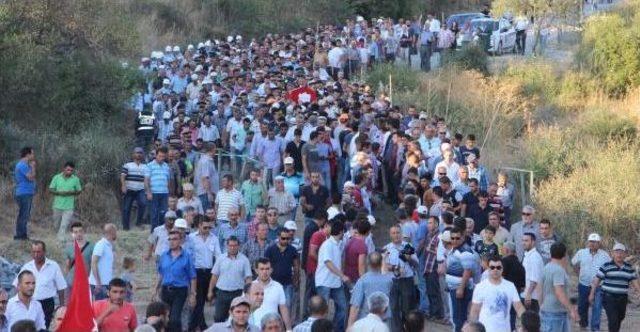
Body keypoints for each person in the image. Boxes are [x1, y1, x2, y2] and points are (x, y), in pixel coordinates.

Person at [13, 241, 66, 329]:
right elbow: (17, 284)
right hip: (30, 303)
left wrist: (61, 306)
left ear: (44, 252)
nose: (36, 255)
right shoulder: (27, 266)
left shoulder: (53, 266)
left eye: (38, 252)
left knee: (44, 327)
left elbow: (61, 287)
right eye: (33, 252)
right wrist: (18, 301)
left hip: (47, 304)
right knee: (29, 327)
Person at [590, 242, 640, 332]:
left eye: (621, 252)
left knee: (620, 317)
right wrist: (592, 293)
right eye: (617, 252)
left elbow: (635, 283)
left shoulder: (629, 268)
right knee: (613, 320)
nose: (619, 254)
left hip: (622, 298)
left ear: (625, 254)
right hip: (609, 297)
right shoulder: (606, 266)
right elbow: (596, 281)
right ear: (612, 254)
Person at [469, 255, 525, 332]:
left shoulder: (510, 286)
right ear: (488, 269)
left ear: (502, 269)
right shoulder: (480, 287)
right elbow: (474, 311)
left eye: (498, 267)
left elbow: (519, 307)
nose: (495, 270)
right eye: (492, 267)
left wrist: (526, 324)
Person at [154, 230, 196, 331]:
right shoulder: (164, 255)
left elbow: (193, 277)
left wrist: (193, 295)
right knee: (164, 317)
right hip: (165, 290)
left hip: (180, 291)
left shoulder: (186, 256)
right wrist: (155, 290)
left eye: (175, 239)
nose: (172, 241)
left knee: (174, 318)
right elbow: (160, 274)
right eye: (170, 239)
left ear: (180, 240)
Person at [208, 236, 253, 323]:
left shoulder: (244, 260)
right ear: (227, 246)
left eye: (235, 245)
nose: (232, 248)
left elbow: (248, 278)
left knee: (236, 318)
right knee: (218, 317)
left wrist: (248, 294)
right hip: (221, 293)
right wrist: (210, 291)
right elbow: (214, 276)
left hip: (237, 293)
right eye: (230, 245)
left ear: (239, 246)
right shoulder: (220, 258)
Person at [188, 218, 222, 331]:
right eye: (205, 227)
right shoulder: (191, 238)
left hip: (209, 271)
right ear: (199, 225)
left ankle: (199, 325)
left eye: (209, 227)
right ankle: (195, 326)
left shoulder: (214, 238)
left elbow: (218, 255)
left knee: (204, 300)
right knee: (199, 300)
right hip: (196, 271)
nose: (207, 230)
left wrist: (218, 271)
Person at [571, 233, 609, 331]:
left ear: (599, 243)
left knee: (597, 308)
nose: (592, 244)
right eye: (591, 241)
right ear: (588, 242)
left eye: (595, 242)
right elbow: (574, 263)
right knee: (582, 307)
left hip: (598, 286)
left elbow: (608, 268)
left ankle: (595, 328)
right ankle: (583, 326)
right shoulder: (581, 252)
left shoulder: (604, 255)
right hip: (583, 284)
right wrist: (578, 273)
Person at [384, 224, 418, 332]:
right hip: (392, 280)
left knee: (407, 307)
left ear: (401, 233)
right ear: (390, 235)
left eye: (398, 232)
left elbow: (416, 264)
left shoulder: (408, 246)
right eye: (393, 233)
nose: (396, 235)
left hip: (407, 280)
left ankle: (407, 329)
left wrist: (409, 259)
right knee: (393, 307)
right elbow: (384, 266)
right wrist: (394, 268)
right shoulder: (387, 248)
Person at [315, 220, 348, 332]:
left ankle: (334, 329)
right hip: (324, 282)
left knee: (343, 307)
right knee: (323, 311)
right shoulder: (328, 244)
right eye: (343, 231)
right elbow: (328, 262)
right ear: (341, 231)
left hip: (335, 282)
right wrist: (342, 276)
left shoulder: (338, 244)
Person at [446, 227, 479, 332]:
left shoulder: (465, 251)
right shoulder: (455, 249)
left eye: (457, 238)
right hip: (455, 288)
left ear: (463, 238)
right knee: (456, 317)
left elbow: (468, 270)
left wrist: (461, 288)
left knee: (458, 318)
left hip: (460, 289)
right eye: (452, 238)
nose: (455, 240)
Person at [347, 252, 392, 328]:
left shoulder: (362, 281)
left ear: (368, 263)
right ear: (381, 263)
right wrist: (383, 260)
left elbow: (355, 307)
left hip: (366, 323)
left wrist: (349, 327)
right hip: (383, 322)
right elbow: (385, 272)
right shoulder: (388, 280)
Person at [539, 243, 577, 332]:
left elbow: (539, 289)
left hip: (548, 311)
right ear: (564, 254)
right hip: (556, 313)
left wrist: (541, 306)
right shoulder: (558, 270)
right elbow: (559, 292)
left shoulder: (546, 268)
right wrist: (572, 309)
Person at [264, 229, 299, 323]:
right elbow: (265, 265)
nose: (286, 240)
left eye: (288, 238)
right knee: (272, 306)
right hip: (273, 284)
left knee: (287, 306)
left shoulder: (293, 250)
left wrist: (296, 280)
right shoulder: (270, 249)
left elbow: (296, 266)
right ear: (278, 237)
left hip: (287, 283)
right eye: (283, 238)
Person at [251, 258, 291, 331]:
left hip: (273, 328)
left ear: (271, 270)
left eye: (267, 269)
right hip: (254, 328)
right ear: (256, 271)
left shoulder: (278, 286)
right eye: (262, 269)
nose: (265, 272)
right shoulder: (250, 286)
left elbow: (283, 308)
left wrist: (289, 329)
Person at [48, 161, 82, 240]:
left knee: (64, 225)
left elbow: (79, 190)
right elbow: (51, 189)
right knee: (56, 225)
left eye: (71, 170)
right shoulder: (56, 177)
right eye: (68, 170)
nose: (69, 172)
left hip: (69, 206)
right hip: (57, 206)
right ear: (64, 169)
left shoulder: (75, 179)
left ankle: (60, 241)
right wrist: (59, 193)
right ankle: (57, 238)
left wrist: (71, 192)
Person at [121, 147, 148, 230]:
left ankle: (138, 223)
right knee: (126, 208)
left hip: (140, 189)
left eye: (140, 153)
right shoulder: (127, 165)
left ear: (143, 155)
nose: (139, 154)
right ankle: (126, 227)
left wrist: (147, 190)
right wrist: (123, 185)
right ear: (133, 154)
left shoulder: (145, 166)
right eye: (137, 152)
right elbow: (122, 176)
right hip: (129, 189)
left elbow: (146, 179)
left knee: (143, 204)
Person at [501, 241, 526, 332]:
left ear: (507, 250)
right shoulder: (520, 264)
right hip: (516, 295)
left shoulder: (504, 262)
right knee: (512, 316)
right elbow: (523, 285)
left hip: (504, 294)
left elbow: (500, 278)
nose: (502, 251)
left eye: (503, 249)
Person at [145, 146, 171, 230]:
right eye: (160, 156)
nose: (161, 158)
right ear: (156, 155)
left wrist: (169, 192)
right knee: (154, 214)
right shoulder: (149, 166)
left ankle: (163, 232)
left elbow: (168, 180)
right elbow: (146, 180)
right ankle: (154, 233)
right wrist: (148, 192)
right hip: (154, 193)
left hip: (164, 193)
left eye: (163, 156)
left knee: (163, 214)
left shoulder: (166, 166)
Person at [63, 222, 94, 294]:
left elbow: (93, 264)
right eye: (75, 232)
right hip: (72, 281)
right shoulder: (69, 248)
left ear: (83, 232)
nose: (78, 234)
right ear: (72, 234)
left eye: (80, 231)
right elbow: (67, 265)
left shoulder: (91, 247)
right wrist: (66, 279)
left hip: (85, 281)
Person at [89, 223, 118, 301]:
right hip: (100, 284)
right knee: (100, 309)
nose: (116, 234)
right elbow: (94, 263)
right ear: (111, 232)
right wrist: (98, 282)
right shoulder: (101, 244)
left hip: (106, 283)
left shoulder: (109, 246)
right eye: (115, 231)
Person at [13, 147, 36, 240]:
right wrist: (33, 167)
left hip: (27, 192)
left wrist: (31, 167)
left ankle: (22, 235)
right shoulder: (22, 165)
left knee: (24, 214)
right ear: (28, 154)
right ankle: (20, 236)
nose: (33, 156)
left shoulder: (26, 165)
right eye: (32, 154)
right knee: (23, 214)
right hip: (24, 193)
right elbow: (31, 177)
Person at [521, 232, 543, 312]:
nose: (523, 243)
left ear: (533, 242)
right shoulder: (527, 255)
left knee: (532, 322)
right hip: (526, 294)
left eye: (526, 241)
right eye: (522, 240)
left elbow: (534, 279)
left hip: (532, 297)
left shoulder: (535, 257)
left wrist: (528, 294)